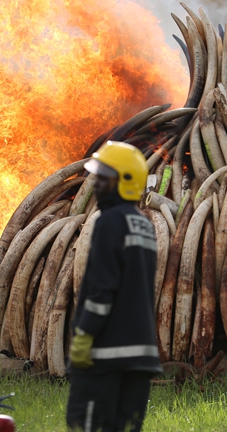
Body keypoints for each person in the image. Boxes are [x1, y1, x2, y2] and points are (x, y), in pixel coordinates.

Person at [66, 141, 162, 432]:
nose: (97, 185)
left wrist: (84, 333)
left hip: (106, 355)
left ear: (125, 182)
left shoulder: (111, 221)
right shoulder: (144, 224)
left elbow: (102, 287)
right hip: (140, 357)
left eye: (104, 179)